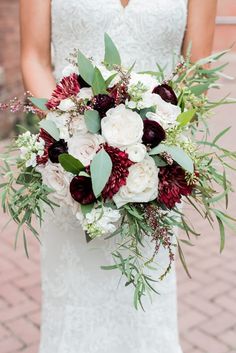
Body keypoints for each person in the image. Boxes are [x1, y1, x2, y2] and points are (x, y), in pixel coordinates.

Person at [19, 1, 217, 352]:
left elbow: (195, 69)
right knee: (74, 301)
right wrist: (68, 134)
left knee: (146, 304)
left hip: (152, 169)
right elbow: (33, 55)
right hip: (73, 168)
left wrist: (159, 143)